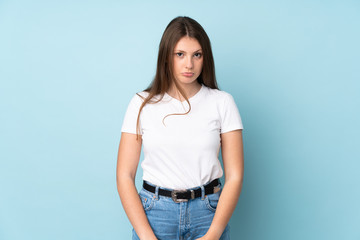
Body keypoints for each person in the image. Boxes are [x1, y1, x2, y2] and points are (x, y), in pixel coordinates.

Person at [116, 16, 244, 240]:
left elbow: (235, 175)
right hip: (155, 214)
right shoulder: (141, 103)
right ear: (167, 57)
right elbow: (124, 175)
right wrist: (146, 236)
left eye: (197, 55)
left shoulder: (222, 102)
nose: (189, 64)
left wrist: (213, 234)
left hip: (208, 213)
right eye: (180, 54)